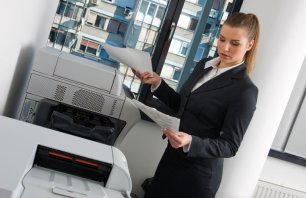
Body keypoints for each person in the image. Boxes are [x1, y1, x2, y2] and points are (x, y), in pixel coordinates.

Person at [133, 12, 260, 198]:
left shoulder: (245, 91)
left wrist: (191, 141)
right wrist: (157, 84)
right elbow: (183, 105)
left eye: (234, 43)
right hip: (170, 162)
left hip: (198, 178)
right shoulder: (203, 66)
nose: (224, 47)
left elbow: (229, 146)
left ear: (249, 45)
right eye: (222, 39)